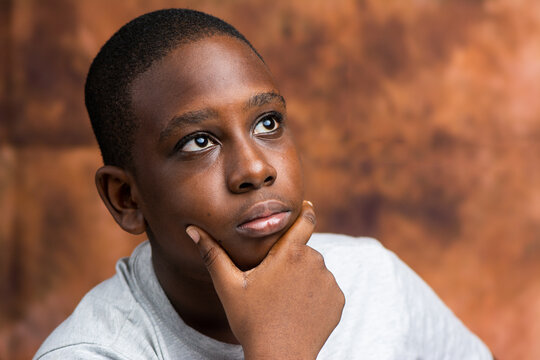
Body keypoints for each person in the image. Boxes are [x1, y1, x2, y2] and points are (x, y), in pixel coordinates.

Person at [34, 8, 493, 359]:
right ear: (126, 198)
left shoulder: (373, 281)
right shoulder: (94, 352)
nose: (255, 169)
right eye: (198, 142)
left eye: (267, 123)